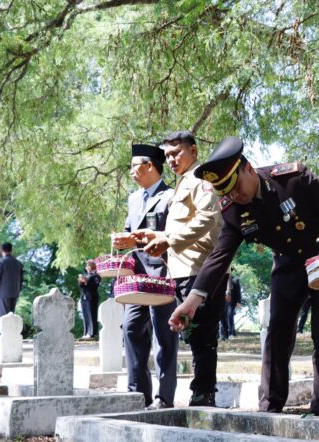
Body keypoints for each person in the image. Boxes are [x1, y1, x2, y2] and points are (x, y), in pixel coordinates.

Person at [168, 136, 319, 417]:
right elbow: (220, 256)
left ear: (247, 168)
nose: (234, 196)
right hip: (288, 266)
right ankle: (269, 408)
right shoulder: (234, 210)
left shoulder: (294, 178)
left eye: (235, 188)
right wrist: (192, 301)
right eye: (226, 193)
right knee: (277, 336)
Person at [136, 130, 226, 407]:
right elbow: (179, 229)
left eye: (177, 153)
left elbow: (209, 220)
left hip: (200, 269)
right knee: (193, 334)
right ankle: (201, 392)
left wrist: (169, 240)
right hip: (182, 269)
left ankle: (204, 395)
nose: (172, 160)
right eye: (167, 156)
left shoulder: (201, 180)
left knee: (202, 335)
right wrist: (156, 238)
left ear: (194, 151)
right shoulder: (182, 183)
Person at [111, 143, 177, 410]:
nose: (130, 171)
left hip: (162, 277)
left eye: (134, 166)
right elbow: (131, 232)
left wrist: (139, 240)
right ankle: (138, 393)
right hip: (136, 279)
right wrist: (122, 240)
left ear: (150, 166)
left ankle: (165, 397)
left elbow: (173, 237)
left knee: (164, 336)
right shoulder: (133, 199)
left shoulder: (171, 196)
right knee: (131, 329)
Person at [0, 242, 23, 318]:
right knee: (11, 317)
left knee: (4, 318)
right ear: (12, 250)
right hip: (15, 293)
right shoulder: (18, 263)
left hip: (3, 294)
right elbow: (21, 280)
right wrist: (18, 291)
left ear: (1, 250)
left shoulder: (0, 262)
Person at [77, 259, 102, 339]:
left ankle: (93, 333)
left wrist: (87, 282)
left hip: (92, 297)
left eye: (88, 266)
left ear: (92, 266)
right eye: (86, 266)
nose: (87, 267)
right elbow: (83, 287)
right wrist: (81, 282)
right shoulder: (86, 275)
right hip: (84, 297)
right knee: (85, 314)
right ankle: (86, 332)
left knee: (92, 314)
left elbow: (95, 285)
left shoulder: (96, 275)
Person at [220, 273, 241, 340]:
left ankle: (231, 333)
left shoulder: (235, 279)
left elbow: (238, 292)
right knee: (222, 318)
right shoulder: (220, 278)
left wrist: (238, 301)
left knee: (229, 317)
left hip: (231, 303)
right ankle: (223, 334)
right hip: (222, 302)